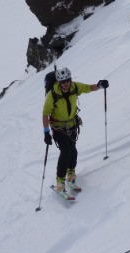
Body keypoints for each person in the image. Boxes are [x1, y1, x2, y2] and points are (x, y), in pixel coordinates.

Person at [42, 62, 109, 194]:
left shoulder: (75, 87)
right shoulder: (52, 94)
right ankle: (60, 180)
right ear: (59, 82)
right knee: (65, 151)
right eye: (63, 81)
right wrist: (46, 132)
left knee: (73, 151)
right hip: (58, 128)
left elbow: (88, 88)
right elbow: (45, 113)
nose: (66, 83)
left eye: (67, 80)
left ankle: (71, 172)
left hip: (72, 126)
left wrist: (100, 85)